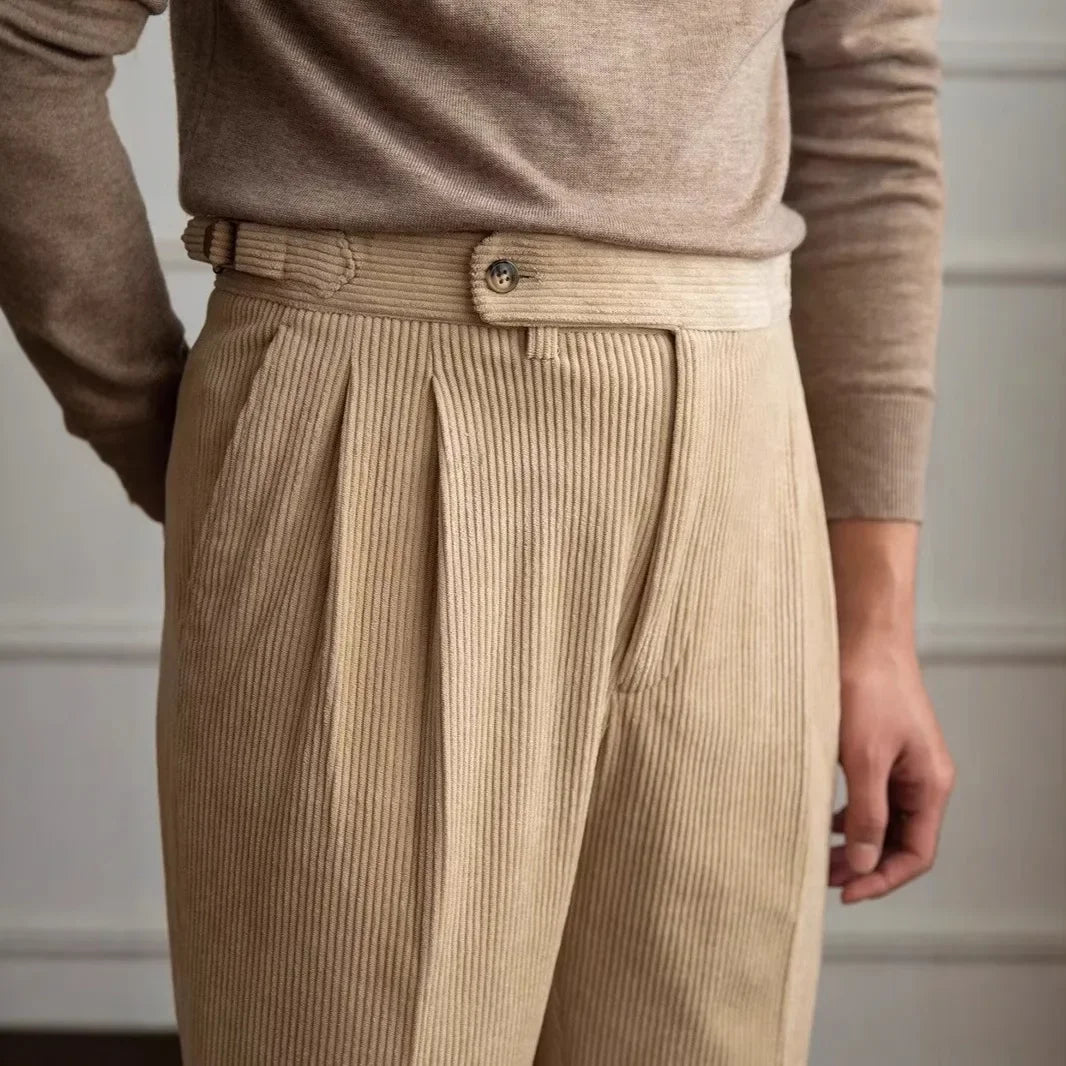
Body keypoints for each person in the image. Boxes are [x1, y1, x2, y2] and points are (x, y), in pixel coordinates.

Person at [0, 0, 957, 1062]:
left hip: (743, 457)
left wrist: (875, 619)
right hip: (374, 418)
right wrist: (167, 430)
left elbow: (866, 86)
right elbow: (28, 35)